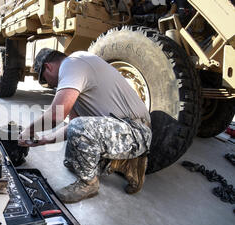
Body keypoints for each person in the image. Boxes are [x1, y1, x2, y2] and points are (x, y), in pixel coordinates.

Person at [18, 48, 152, 203]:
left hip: (136, 131)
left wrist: (29, 130)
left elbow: (57, 115)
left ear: (48, 67)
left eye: (44, 79)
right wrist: (46, 139)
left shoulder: (72, 64)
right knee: (71, 161)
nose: (47, 83)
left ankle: (89, 184)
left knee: (79, 130)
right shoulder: (76, 77)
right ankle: (120, 163)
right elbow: (73, 126)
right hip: (118, 130)